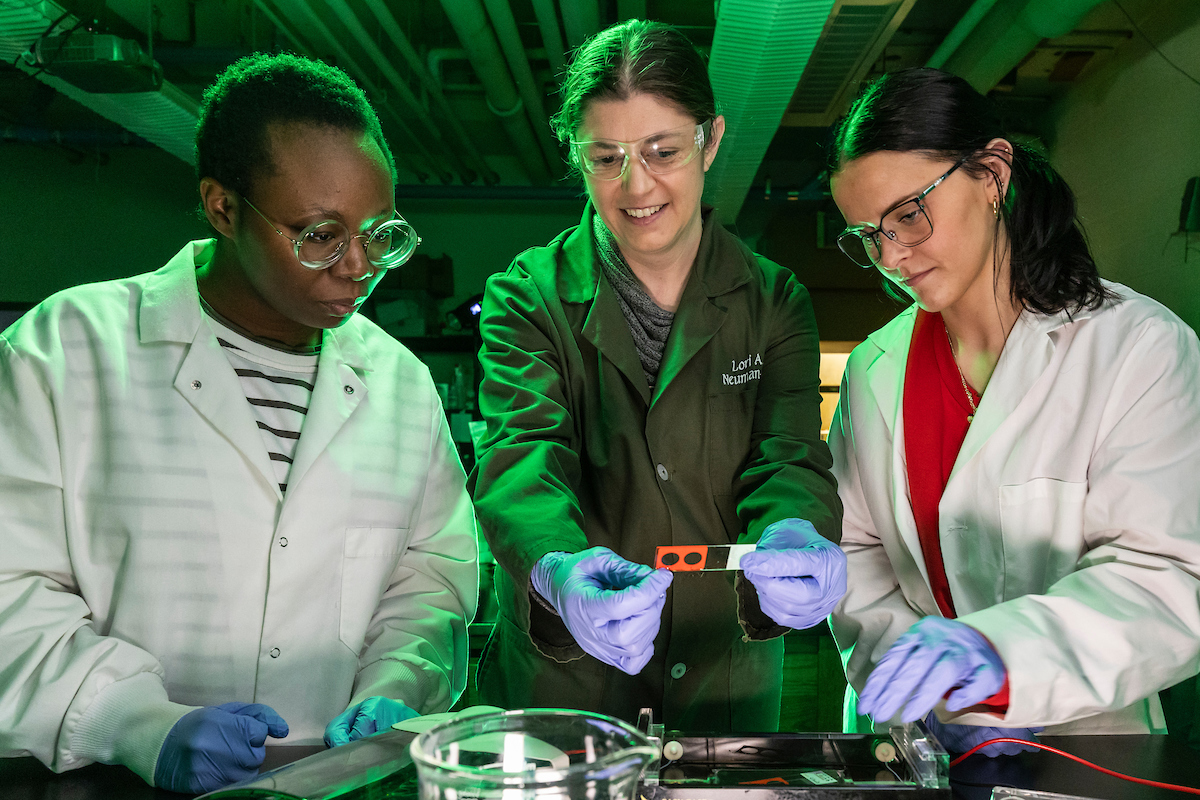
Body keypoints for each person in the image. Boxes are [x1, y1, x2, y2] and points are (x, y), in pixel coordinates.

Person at [0, 53, 478, 793]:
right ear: (224, 207)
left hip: (335, 780)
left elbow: (430, 576)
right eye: (319, 234)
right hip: (108, 780)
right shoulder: (64, 349)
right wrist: (135, 721)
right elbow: (8, 585)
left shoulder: (401, 388)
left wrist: (398, 684)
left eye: (380, 232)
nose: (358, 265)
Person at [469, 19, 845, 733]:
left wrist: (796, 526)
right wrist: (559, 568)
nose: (635, 185)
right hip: (569, 682)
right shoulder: (527, 296)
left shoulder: (773, 299)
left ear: (711, 139)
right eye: (604, 157)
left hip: (722, 683)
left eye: (662, 151)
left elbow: (788, 452)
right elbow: (522, 457)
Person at [826, 67, 1200, 756]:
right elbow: (856, 549)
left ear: (993, 174)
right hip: (915, 741)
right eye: (867, 236)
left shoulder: (1137, 348)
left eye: (909, 214)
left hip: (1086, 744)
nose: (891, 255)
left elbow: (1170, 575)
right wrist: (917, 673)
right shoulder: (874, 369)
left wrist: (1001, 660)